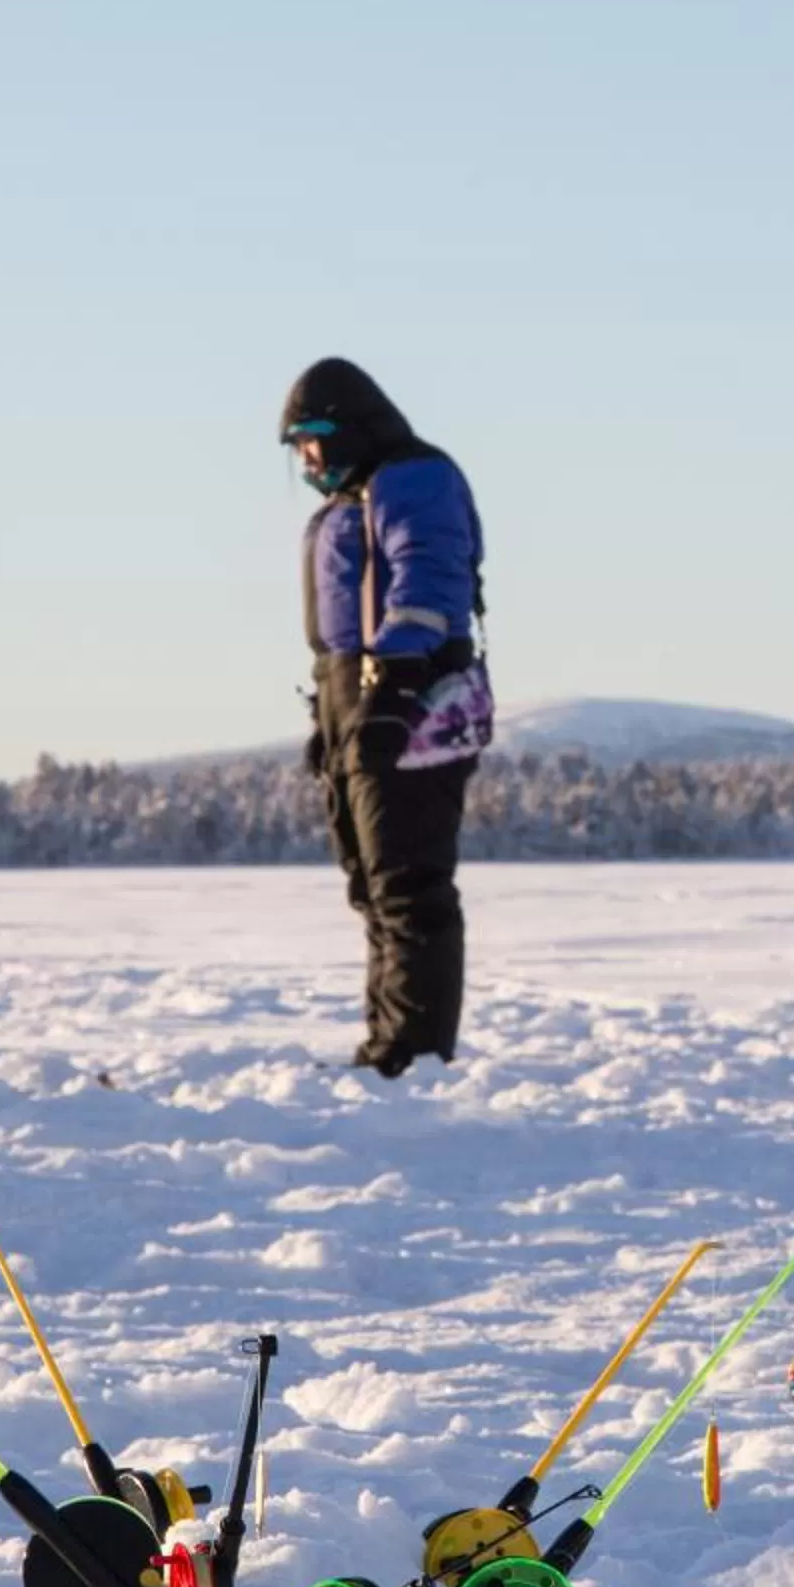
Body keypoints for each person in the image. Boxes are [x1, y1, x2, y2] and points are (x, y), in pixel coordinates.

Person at [282, 358, 495, 1077]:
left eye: (311, 436)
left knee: (408, 883)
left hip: (410, 693)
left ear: (349, 425)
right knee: (370, 886)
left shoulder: (411, 478)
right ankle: (387, 1047)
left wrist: (395, 688)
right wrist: (332, 719)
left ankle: (414, 1055)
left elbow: (428, 576)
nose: (305, 456)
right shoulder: (349, 500)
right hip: (350, 695)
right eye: (295, 446)